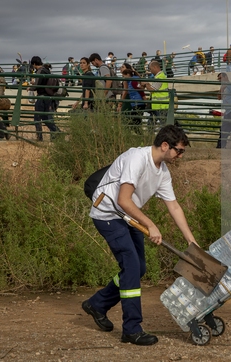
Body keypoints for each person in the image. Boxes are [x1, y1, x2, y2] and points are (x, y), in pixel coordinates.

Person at [83, 125, 198, 346]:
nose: (180, 156)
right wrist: (151, 225)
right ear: (165, 145)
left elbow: (173, 207)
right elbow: (123, 200)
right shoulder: (137, 158)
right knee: (133, 267)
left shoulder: (163, 172)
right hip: (108, 213)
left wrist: (191, 241)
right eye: (179, 151)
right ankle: (131, 329)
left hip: (129, 216)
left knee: (139, 268)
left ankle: (97, 304)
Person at [29, 56, 59, 142]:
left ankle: (40, 137)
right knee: (46, 117)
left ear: (34, 64)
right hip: (48, 97)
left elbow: (38, 85)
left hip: (41, 97)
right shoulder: (46, 70)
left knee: (37, 117)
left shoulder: (40, 71)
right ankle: (57, 132)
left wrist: (30, 88)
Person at [119, 64, 146, 129]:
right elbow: (140, 88)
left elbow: (139, 90)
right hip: (136, 102)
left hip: (137, 102)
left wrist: (145, 100)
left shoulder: (132, 81)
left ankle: (137, 134)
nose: (123, 77)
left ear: (128, 74)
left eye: (124, 76)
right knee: (136, 121)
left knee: (133, 121)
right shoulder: (132, 80)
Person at [143, 61, 170, 125]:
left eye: (150, 69)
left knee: (163, 125)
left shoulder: (160, 77)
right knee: (151, 124)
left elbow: (152, 90)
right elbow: (154, 89)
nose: (150, 71)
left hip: (161, 107)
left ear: (154, 67)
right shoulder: (160, 76)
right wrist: (148, 85)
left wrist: (146, 84)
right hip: (158, 106)